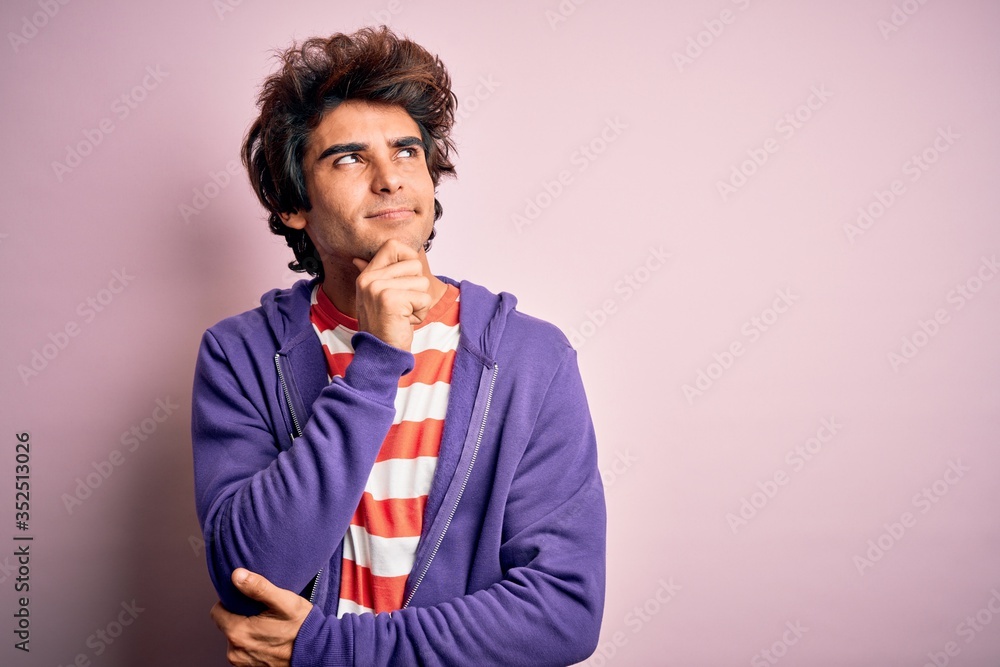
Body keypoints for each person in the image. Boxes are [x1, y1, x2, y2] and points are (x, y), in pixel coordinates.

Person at [190, 25, 606, 667]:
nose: (390, 179)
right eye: (349, 158)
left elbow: (562, 614)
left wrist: (329, 648)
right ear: (291, 202)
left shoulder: (531, 359)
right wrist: (377, 362)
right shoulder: (240, 354)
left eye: (407, 152)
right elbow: (248, 569)